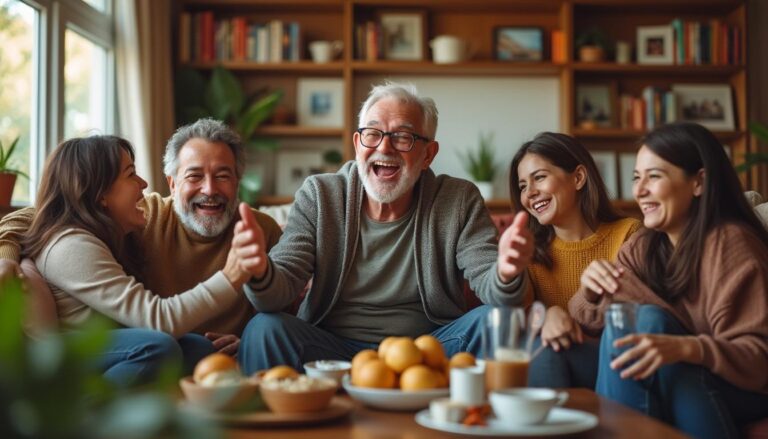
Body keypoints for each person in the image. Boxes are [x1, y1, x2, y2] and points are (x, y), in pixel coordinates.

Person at [230, 81, 534, 373]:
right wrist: (259, 272)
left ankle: (480, 422)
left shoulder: (458, 199)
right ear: (357, 144)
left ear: (428, 154)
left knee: (498, 319)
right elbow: (278, 290)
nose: (384, 147)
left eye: (403, 137)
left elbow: (491, 285)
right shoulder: (320, 195)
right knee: (264, 328)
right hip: (331, 350)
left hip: (430, 350)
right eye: (372, 133)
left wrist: (505, 274)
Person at [0, 119, 282, 356]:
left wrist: (249, 343)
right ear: (172, 184)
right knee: (158, 345)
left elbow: (289, 310)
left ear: (237, 182)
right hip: (149, 342)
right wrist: (5, 257)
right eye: (194, 176)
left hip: (191, 348)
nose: (209, 189)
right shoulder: (145, 215)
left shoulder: (260, 230)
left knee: (194, 347)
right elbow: (40, 216)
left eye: (222, 176)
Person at [569, 122, 768, 438]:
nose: (639, 190)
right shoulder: (644, 247)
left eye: (655, 176)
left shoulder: (730, 244)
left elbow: (758, 361)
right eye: (637, 177)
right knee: (625, 323)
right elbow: (592, 321)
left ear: (699, 182)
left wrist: (686, 348)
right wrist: (589, 291)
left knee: (648, 319)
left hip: (740, 386)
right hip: (684, 375)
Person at [21, 135, 252, 386]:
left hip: (103, 350)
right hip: (62, 361)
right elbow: (158, 321)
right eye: (131, 174)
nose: (143, 183)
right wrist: (231, 278)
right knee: (156, 347)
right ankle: (86, 416)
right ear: (100, 193)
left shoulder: (113, 236)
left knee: (198, 348)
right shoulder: (70, 246)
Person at [509, 132, 641, 389]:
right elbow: (519, 321)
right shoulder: (529, 253)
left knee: (548, 351)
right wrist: (547, 315)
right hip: (557, 364)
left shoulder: (629, 234)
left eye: (539, 177)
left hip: (618, 363)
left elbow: (637, 317)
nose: (530, 193)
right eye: (523, 186)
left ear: (578, 177)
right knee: (544, 349)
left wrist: (568, 312)